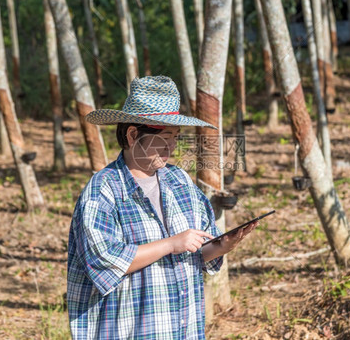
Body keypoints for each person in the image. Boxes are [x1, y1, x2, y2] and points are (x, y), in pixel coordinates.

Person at [67, 76, 257, 339]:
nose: (172, 146)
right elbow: (105, 260)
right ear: (133, 135)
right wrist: (171, 243)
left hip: (181, 327)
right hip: (130, 330)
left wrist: (224, 245)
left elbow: (193, 253)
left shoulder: (179, 181)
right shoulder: (104, 189)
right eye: (165, 137)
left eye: (176, 137)